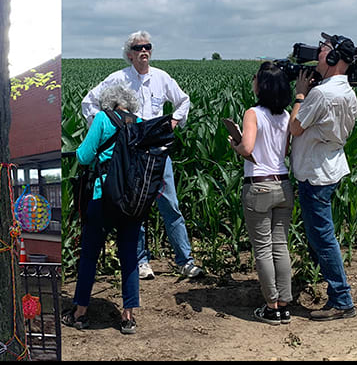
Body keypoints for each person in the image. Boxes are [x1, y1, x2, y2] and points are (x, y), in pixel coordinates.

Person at [81, 30, 204, 280]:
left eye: (147, 47)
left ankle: (185, 260)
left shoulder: (162, 78)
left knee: (170, 205)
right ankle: (141, 261)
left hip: (158, 152)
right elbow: (88, 102)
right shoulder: (117, 78)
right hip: (130, 154)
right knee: (134, 206)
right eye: (138, 48)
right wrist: (105, 129)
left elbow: (183, 101)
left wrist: (175, 121)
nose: (144, 51)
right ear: (129, 54)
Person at [288, 32, 357, 321]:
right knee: (319, 233)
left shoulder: (321, 94)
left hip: (315, 172)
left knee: (323, 235)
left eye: (322, 50)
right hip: (330, 166)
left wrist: (300, 95)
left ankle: (341, 298)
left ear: (333, 58)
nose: (317, 54)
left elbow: (295, 128)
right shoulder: (348, 92)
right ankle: (321, 276)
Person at [63, 83, 145, 335]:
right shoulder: (140, 122)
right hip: (131, 201)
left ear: (109, 103)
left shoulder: (101, 118)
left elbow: (84, 157)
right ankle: (128, 317)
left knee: (89, 256)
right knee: (130, 257)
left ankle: (80, 313)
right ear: (130, 104)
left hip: (102, 197)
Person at [229, 62, 294, 325]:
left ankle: (271, 306)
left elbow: (247, 148)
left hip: (258, 185)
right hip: (283, 185)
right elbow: (286, 151)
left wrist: (234, 143)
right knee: (281, 246)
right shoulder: (287, 115)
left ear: (262, 85)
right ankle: (285, 305)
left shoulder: (253, 113)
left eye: (256, 77)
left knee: (263, 249)